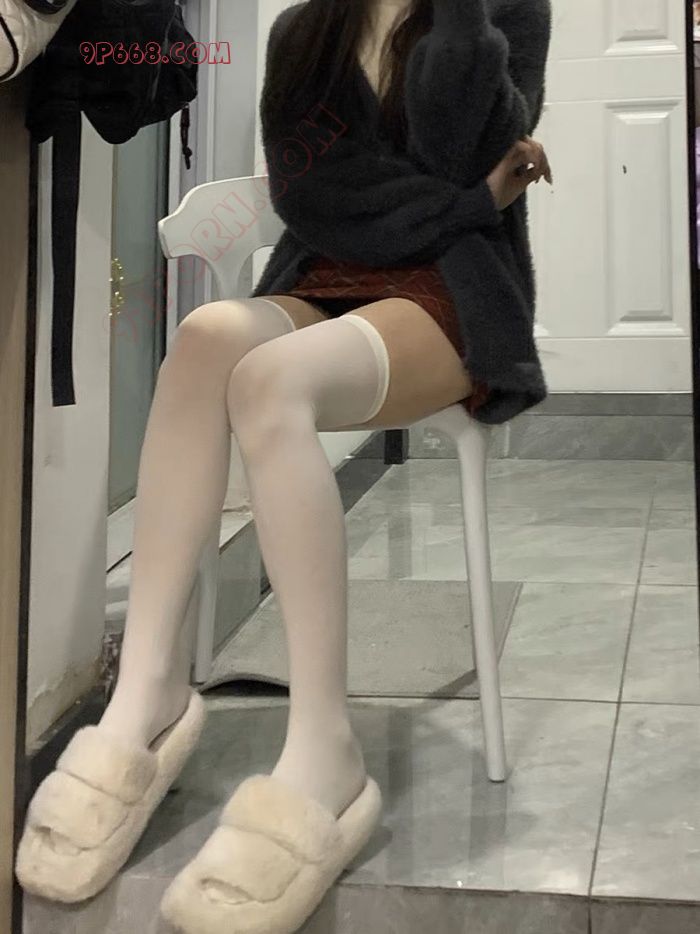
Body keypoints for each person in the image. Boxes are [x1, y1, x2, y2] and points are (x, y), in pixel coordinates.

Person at [16, 1, 552, 931]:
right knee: (205, 339)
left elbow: (459, 139)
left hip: (455, 293)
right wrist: (466, 204)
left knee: (271, 381)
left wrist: (444, 185)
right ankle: (146, 691)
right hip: (328, 272)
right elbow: (316, 199)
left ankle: (323, 748)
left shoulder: (500, 13)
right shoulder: (303, 28)